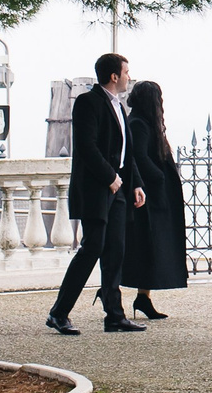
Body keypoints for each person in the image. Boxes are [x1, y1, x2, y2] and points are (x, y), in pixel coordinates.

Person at [47, 53, 144, 335]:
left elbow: (126, 152)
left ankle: (114, 315)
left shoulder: (119, 106)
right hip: (96, 190)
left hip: (119, 188)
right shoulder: (88, 103)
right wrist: (111, 177)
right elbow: (87, 148)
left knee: (115, 251)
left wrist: (134, 182)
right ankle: (58, 313)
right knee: (92, 249)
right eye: (126, 71)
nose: (128, 76)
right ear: (114, 76)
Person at [114, 78, 186, 322]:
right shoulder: (139, 124)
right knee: (145, 246)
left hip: (154, 195)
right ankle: (123, 293)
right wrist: (160, 178)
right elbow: (139, 159)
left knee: (149, 247)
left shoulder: (142, 122)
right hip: (149, 197)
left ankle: (143, 296)